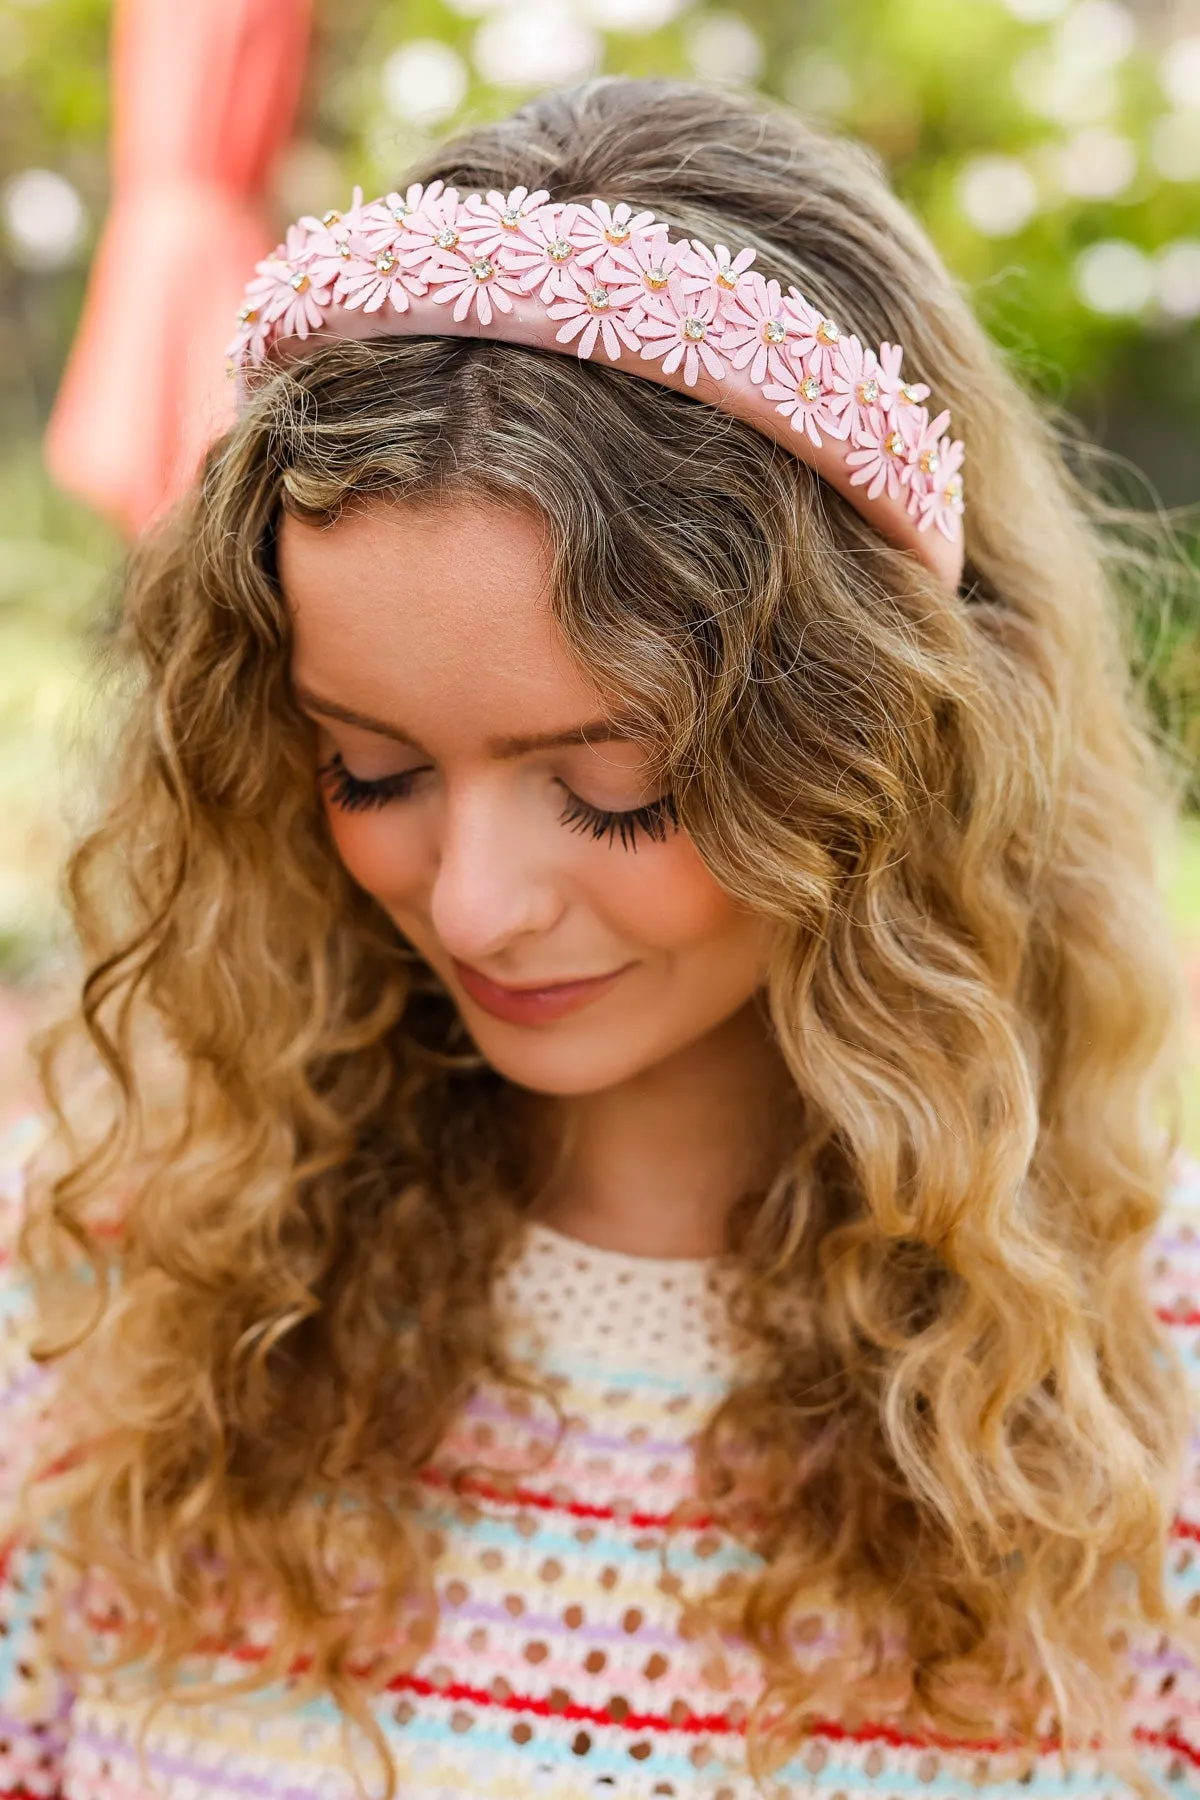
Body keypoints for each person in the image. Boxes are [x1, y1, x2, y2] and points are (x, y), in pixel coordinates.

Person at [2, 73, 1199, 1800]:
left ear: (881, 748)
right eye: (375, 768)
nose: (475, 902)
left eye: (617, 792)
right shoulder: (100, 1316)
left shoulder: (1143, 1422)